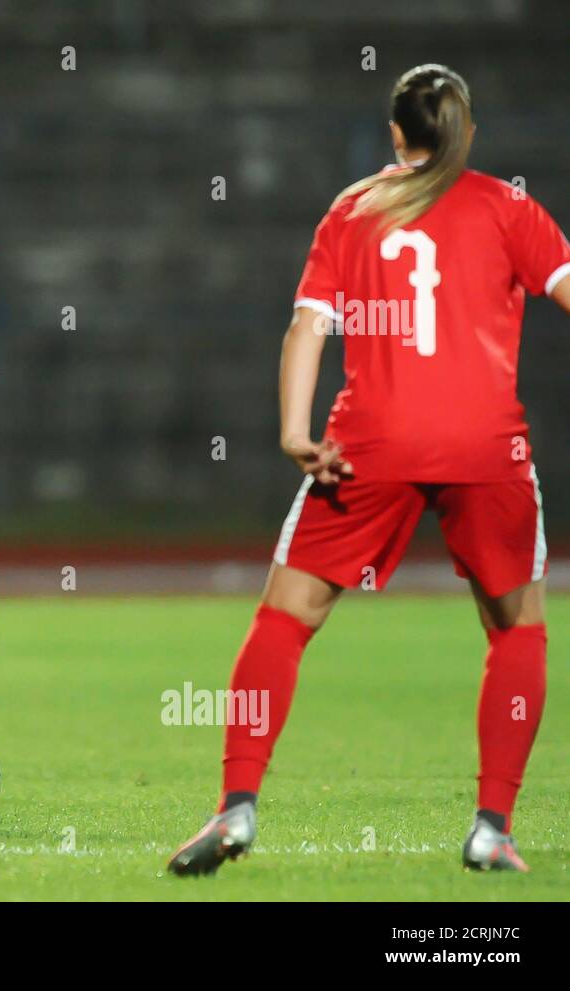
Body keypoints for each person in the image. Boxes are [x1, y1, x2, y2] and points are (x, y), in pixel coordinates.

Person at [168, 64, 569, 875]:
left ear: (394, 134)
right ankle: (492, 827)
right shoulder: (507, 206)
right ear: (466, 130)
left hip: (370, 443)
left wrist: (293, 431)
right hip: (485, 445)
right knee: (517, 628)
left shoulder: (356, 209)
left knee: (285, 619)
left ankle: (236, 807)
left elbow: (306, 329)